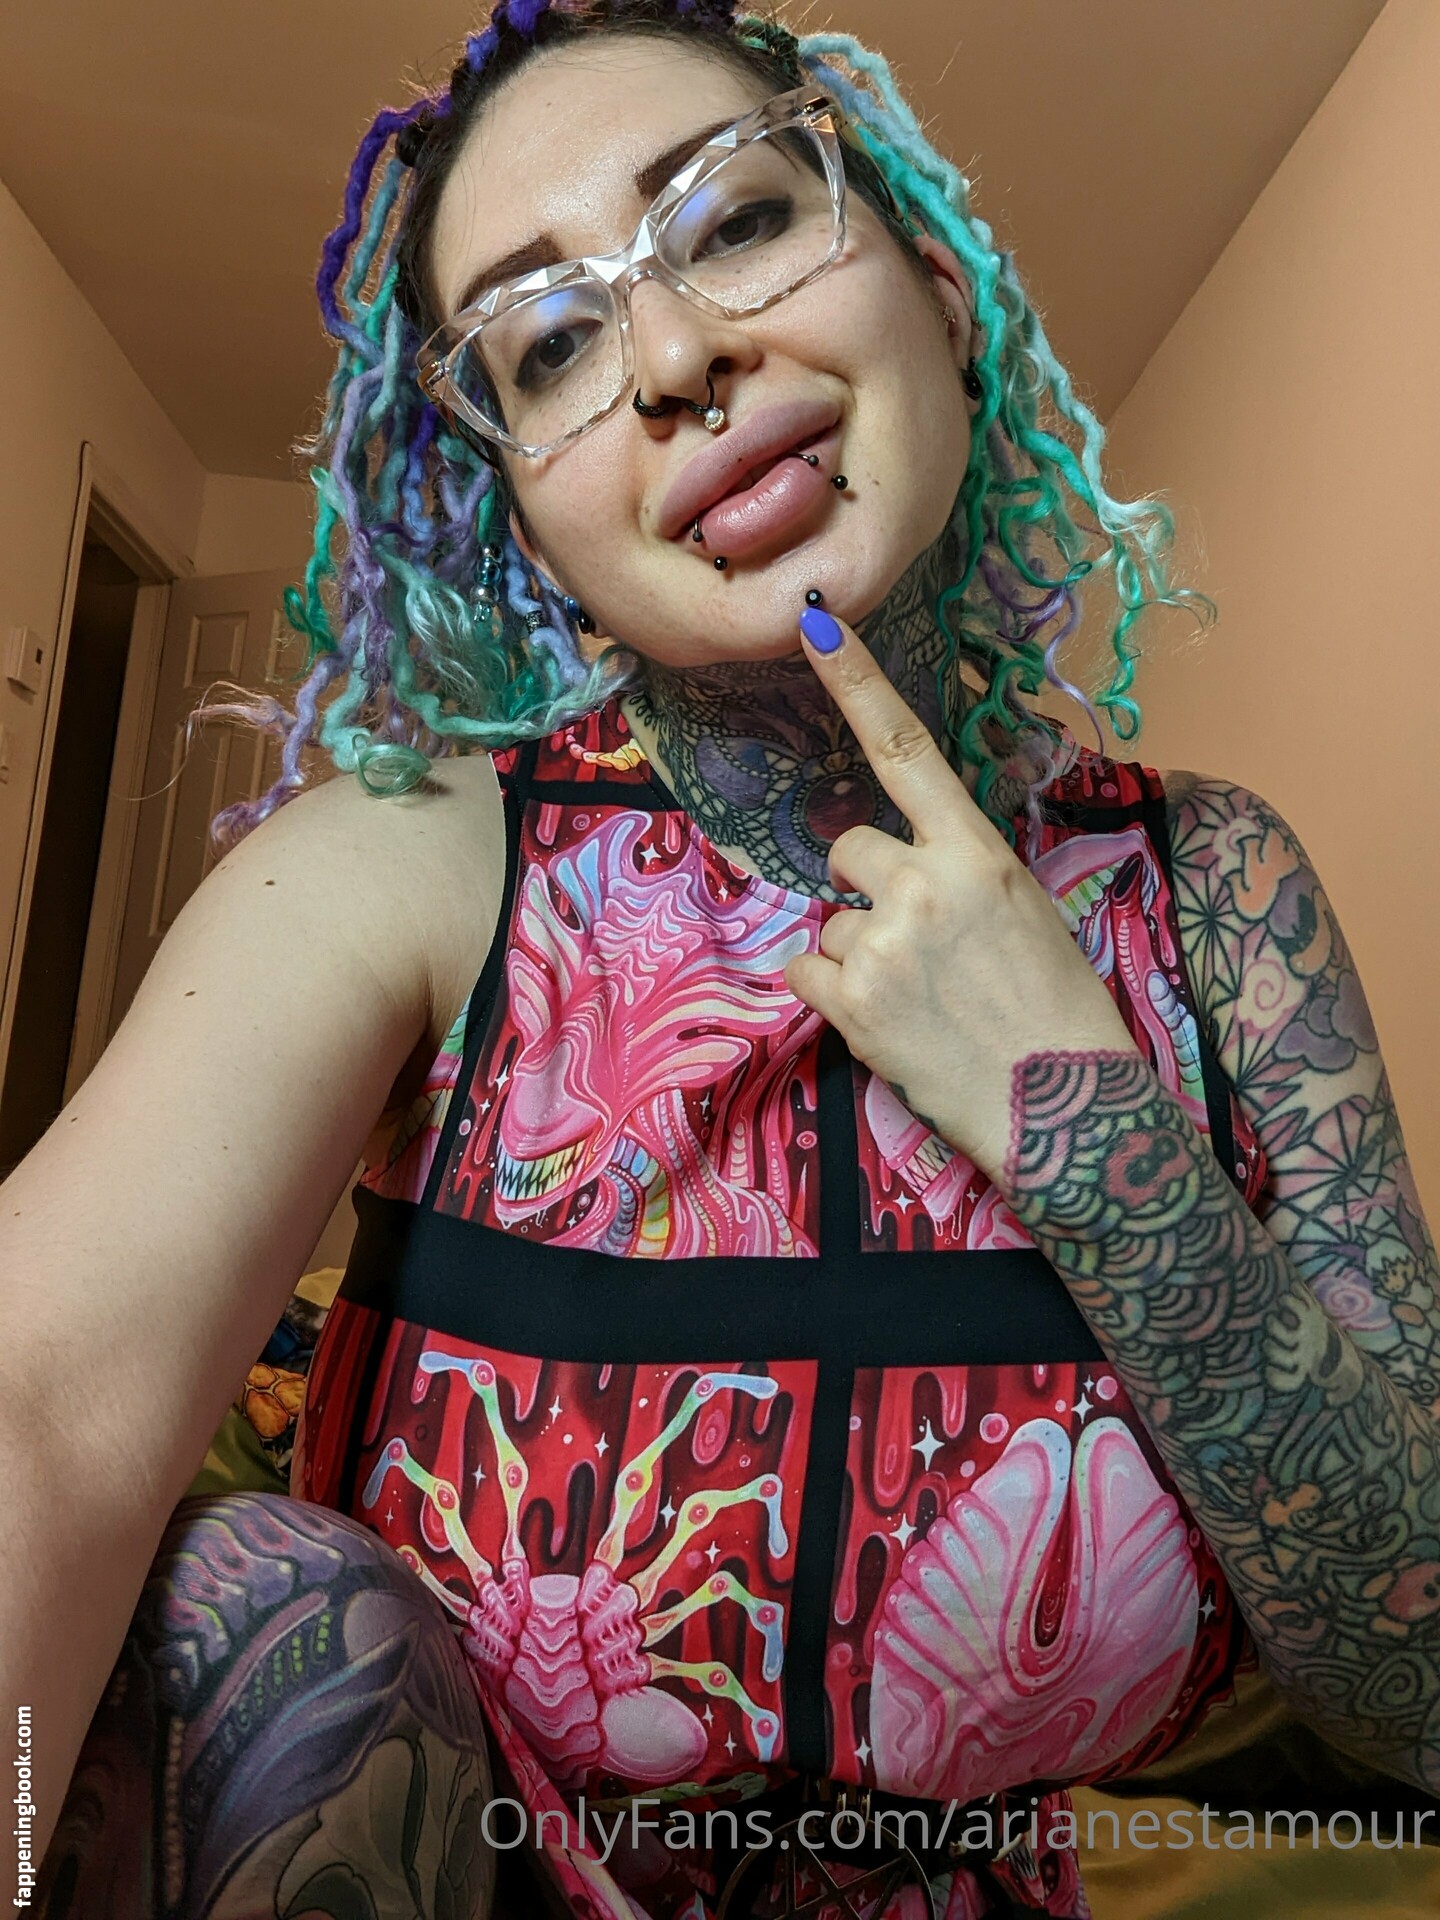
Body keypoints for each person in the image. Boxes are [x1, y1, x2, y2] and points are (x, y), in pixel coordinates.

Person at [11, 1, 1440, 1915]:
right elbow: (38, 1405)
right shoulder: (420, 867)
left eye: (740, 220)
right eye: (552, 343)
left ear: (939, 287)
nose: (679, 356)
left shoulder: (1218, 894)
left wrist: (1088, 1124)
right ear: (536, 533)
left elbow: (1418, 1687)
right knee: (248, 1599)